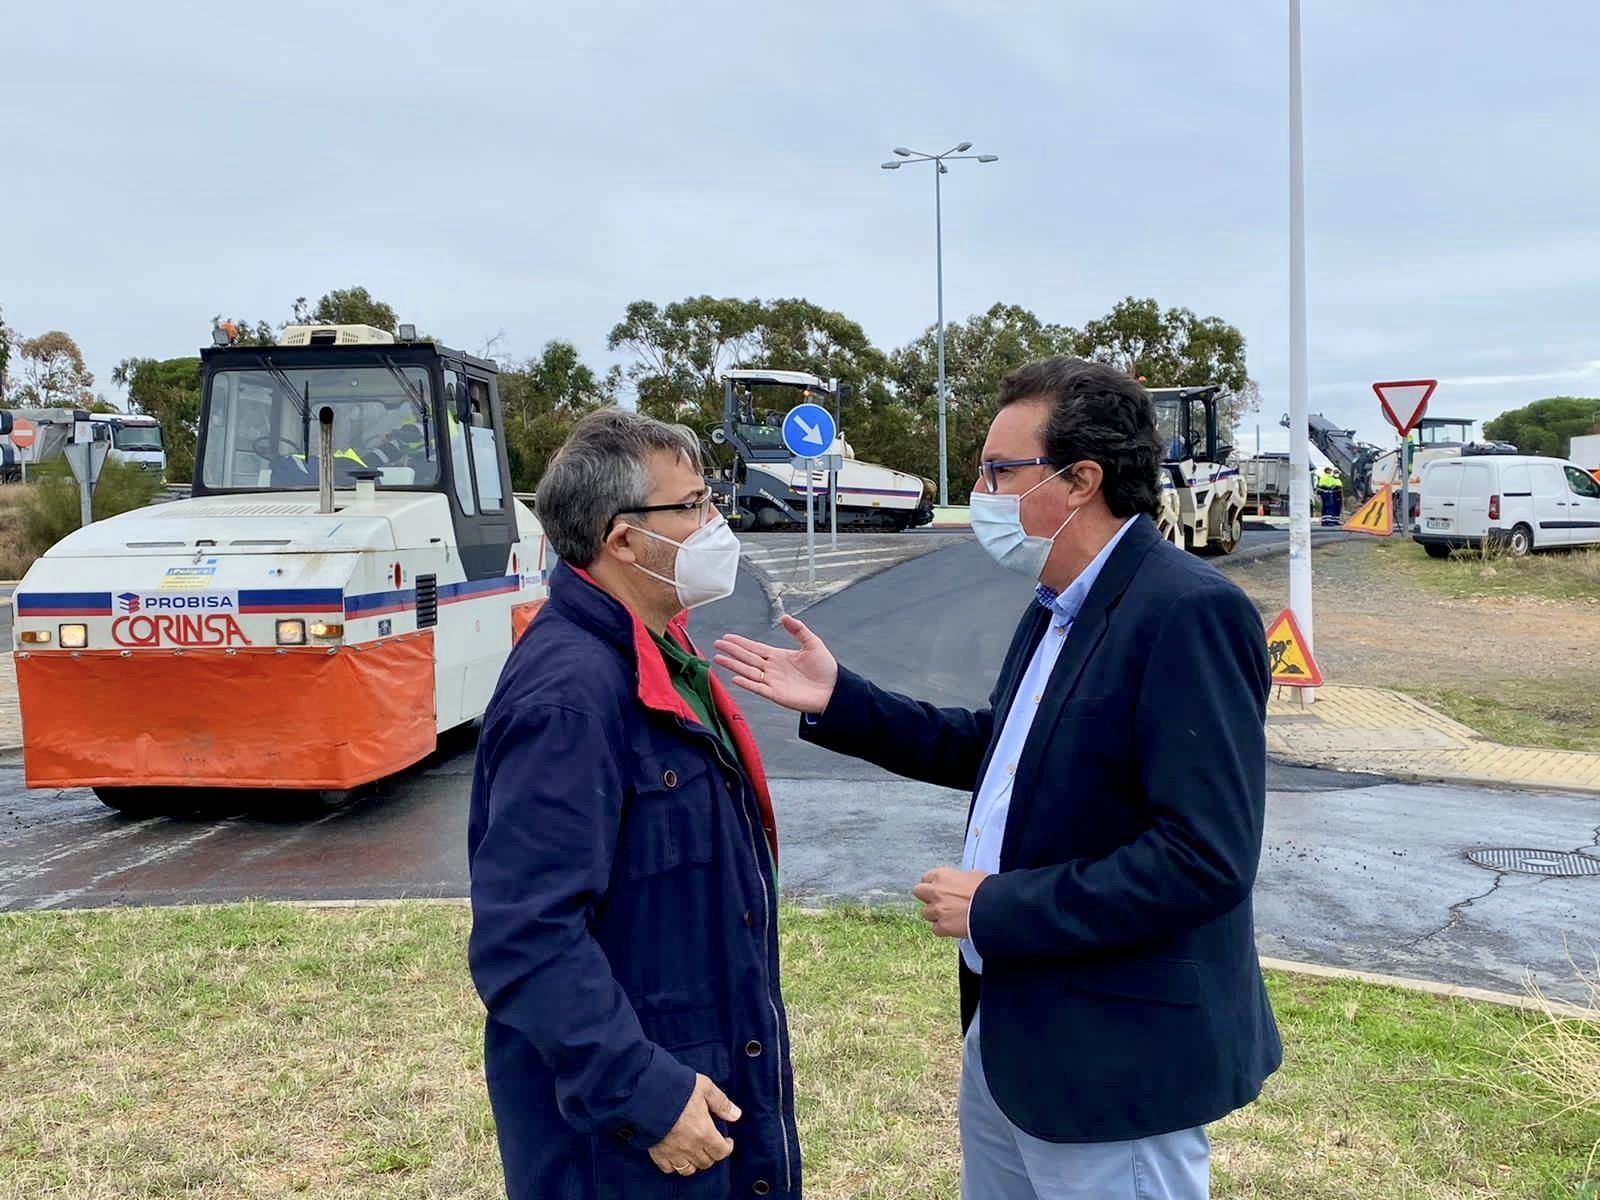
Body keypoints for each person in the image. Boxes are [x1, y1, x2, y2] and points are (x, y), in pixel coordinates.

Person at [715, 357, 1280, 1200]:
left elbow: (1204, 860)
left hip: (1113, 1064)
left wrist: (997, 906)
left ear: (1081, 480)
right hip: (1014, 1031)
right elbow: (1002, 750)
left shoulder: (1185, 611)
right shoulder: (1060, 602)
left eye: (997, 472)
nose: (978, 491)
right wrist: (843, 700)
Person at [467, 407, 800, 1200]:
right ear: (622, 539)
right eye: (692, 506)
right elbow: (527, 938)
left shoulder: (661, 653)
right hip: (630, 1146)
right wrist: (645, 1095)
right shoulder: (572, 697)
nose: (716, 522)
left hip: (698, 1098)